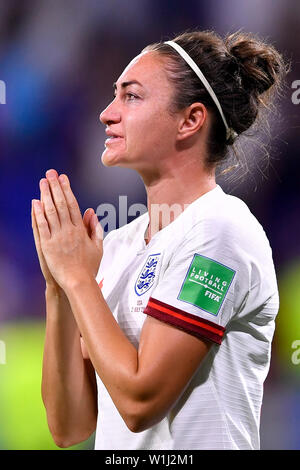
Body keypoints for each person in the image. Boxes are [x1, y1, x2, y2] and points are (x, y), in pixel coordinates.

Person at [31, 30, 287, 450]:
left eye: (131, 97)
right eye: (115, 95)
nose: (106, 114)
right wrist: (58, 287)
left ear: (190, 120)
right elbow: (69, 426)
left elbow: (140, 400)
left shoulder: (221, 232)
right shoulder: (116, 247)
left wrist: (78, 279)